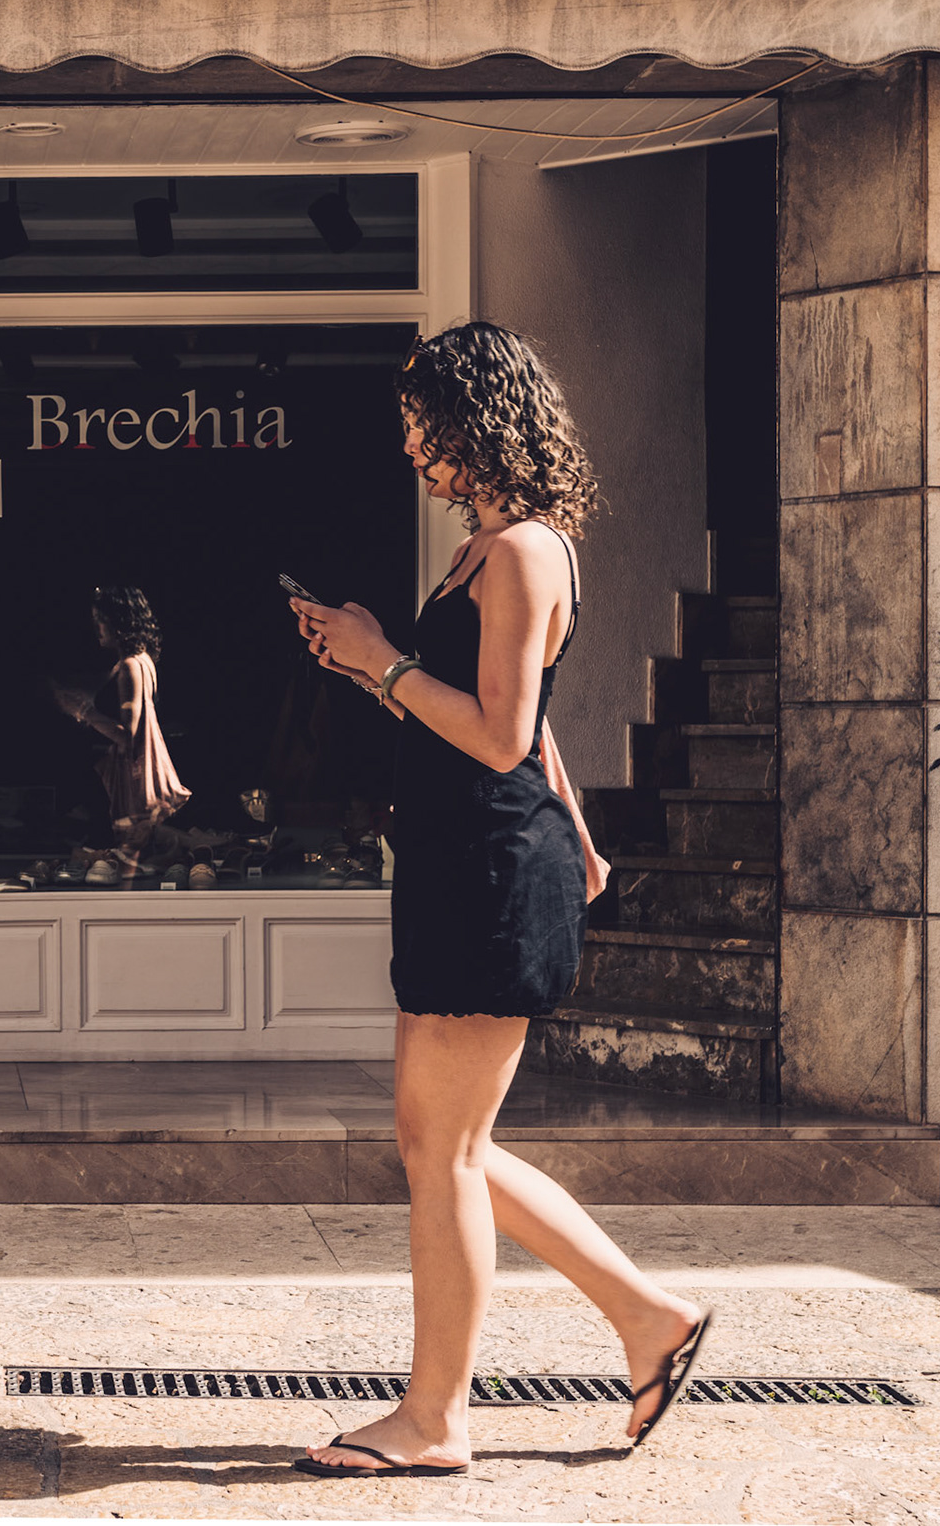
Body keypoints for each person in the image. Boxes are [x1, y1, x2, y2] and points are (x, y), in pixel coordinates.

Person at [288, 322, 710, 1479]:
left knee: (447, 1146)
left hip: (484, 869)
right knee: (441, 1140)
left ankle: (434, 1418)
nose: (413, 441)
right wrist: (579, 827)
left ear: (481, 419)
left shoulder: (525, 550)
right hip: (462, 859)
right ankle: (647, 1318)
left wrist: (379, 659)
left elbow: (500, 732)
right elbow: (531, 728)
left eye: (424, 418)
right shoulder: (483, 552)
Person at [54, 585, 190, 878]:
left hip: (131, 785)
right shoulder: (143, 661)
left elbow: (129, 737)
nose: (96, 627)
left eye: (100, 618)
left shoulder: (129, 665)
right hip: (135, 779)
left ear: (119, 620)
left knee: (117, 868)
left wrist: (85, 713)